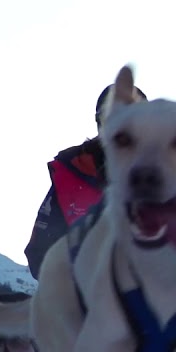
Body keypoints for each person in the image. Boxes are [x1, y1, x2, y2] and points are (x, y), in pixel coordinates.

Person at [23, 82, 148, 278]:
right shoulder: (72, 178)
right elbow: (40, 255)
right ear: (100, 125)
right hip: (83, 300)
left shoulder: (172, 179)